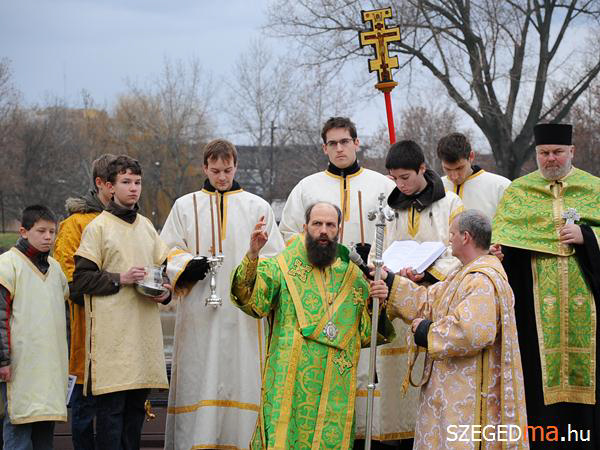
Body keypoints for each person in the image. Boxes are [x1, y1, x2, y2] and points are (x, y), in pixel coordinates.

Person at [231, 202, 395, 448]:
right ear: (305, 227)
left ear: (339, 230)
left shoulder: (354, 276)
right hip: (289, 380)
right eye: (317, 224)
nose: (323, 231)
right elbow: (250, 299)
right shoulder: (281, 266)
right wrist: (253, 255)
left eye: (330, 225)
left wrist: (379, 302)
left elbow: (365, 333)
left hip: (335, 385)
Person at [160, 139, 284, 449]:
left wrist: (255, 263)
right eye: (215, 171)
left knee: (242, 373)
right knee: (198, 374)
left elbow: (276, 261)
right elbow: (165, 250)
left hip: (244, 315)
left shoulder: (258, 207)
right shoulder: (184, 206)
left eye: (227, 170)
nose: (222, 177)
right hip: (199, 310)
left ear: (236, 166)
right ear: (205, 168)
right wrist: (186, 265)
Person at [492, 123, 600, 448]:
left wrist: (587, 236)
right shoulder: (518, 192)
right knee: (536, 376)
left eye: (557, 152)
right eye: (544, 153)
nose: (551, 158)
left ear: (572, 152)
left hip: (588, 302)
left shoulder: (594, 188)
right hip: (535, 308)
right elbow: (505, 241)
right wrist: (501, 253)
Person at [385, 210, 528, 449]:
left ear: (465, 237)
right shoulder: (463, 273)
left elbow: (473, 332)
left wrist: (427, 332)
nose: (449, 239)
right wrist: (389, 281)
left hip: (468, 393)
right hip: (450, 388)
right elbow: (429, 301)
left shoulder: (482, 279)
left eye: (452, 234)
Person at [359, 140, 464, 446]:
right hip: (397, 306)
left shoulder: (450, 204)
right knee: (395, 389)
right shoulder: (389, 209)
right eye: (394, 178)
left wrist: (426, 273)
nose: (400, 185)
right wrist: (388, 273)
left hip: (435, 301)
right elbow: (376, 256)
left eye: (405, 177)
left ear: (422, 168)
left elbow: (459, 251)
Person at [72, 155, 171, 450]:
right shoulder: (98, 228)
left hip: (142, 341)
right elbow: (80, 282)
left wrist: (165, 292)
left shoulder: (147, 227)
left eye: (137, 182)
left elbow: (163, 271)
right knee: (111, 418)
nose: (133, 188)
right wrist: (121, 278)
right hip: (111, 344)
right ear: (111, 187)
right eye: (126, 182)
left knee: (134, 417)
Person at [53, 153, 115, 450]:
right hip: (85, 336)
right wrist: (113, 281)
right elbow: (69, 282)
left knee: (114, 416)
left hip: (119, 338)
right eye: (114, 182)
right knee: (84, 413)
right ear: (100, 183)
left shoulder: (130, 222)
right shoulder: (75, 224)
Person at [0, 205, 69, 449]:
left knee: (44, 433)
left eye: (52, 231)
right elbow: (1, 316)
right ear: (24, 231)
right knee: (18, 429)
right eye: (41, 231)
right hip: (19, 366)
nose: (48, 237)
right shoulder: (7, 265)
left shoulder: (56, 269)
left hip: (50, 367)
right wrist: (3, 360)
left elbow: (64, 319)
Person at [279, 116, 395, 246]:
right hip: (320, 259)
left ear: (356, 143)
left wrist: (373, 253)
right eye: (332, 143)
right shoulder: (305, 188)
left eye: (344, 141)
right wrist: (316, 251)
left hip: (373, 259)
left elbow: (398, 233)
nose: (339, 148)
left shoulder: (384, 186)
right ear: (325, 148)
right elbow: (288, 233)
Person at [436, 132, 510, 219]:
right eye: (447, 169)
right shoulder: (435, 188)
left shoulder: (501, 187)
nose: (454, 176)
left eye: (459, 168)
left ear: (471, 156)